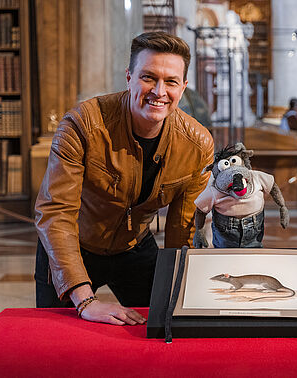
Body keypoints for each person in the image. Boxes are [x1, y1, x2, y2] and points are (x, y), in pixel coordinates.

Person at [34, 32, 214, 325]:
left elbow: (183, 230)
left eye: (170, 81)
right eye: (148, 77)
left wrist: (183, 293)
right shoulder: (82, 124)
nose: (159, 91)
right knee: (59, 347)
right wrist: (85, 300)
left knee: (159, 331)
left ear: (183, 87)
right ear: (129, 77)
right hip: (71, 245)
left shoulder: (197, 144)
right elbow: (55, 212)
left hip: (135, 246)